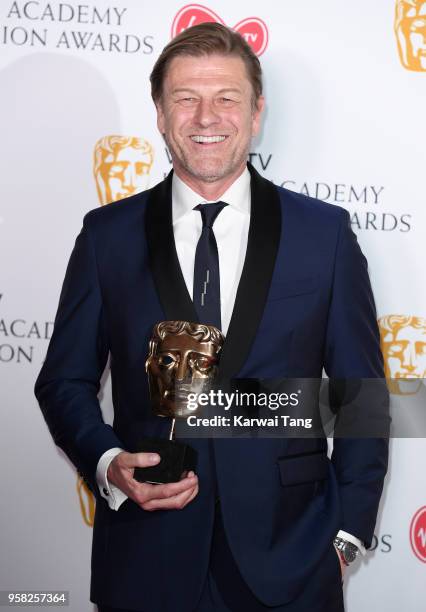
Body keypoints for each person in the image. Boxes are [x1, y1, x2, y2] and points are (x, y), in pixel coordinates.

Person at [35, 23, 388, 612]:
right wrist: (106, 463)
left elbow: (363, 397)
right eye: (186, 99)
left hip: (294, 558)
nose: (206, 117)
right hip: (146, 560)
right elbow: (64, 381)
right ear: (159, 113)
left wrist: (346, 535)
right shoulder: (107, 236)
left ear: (256, 113)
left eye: (226, 98)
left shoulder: (322, 234)